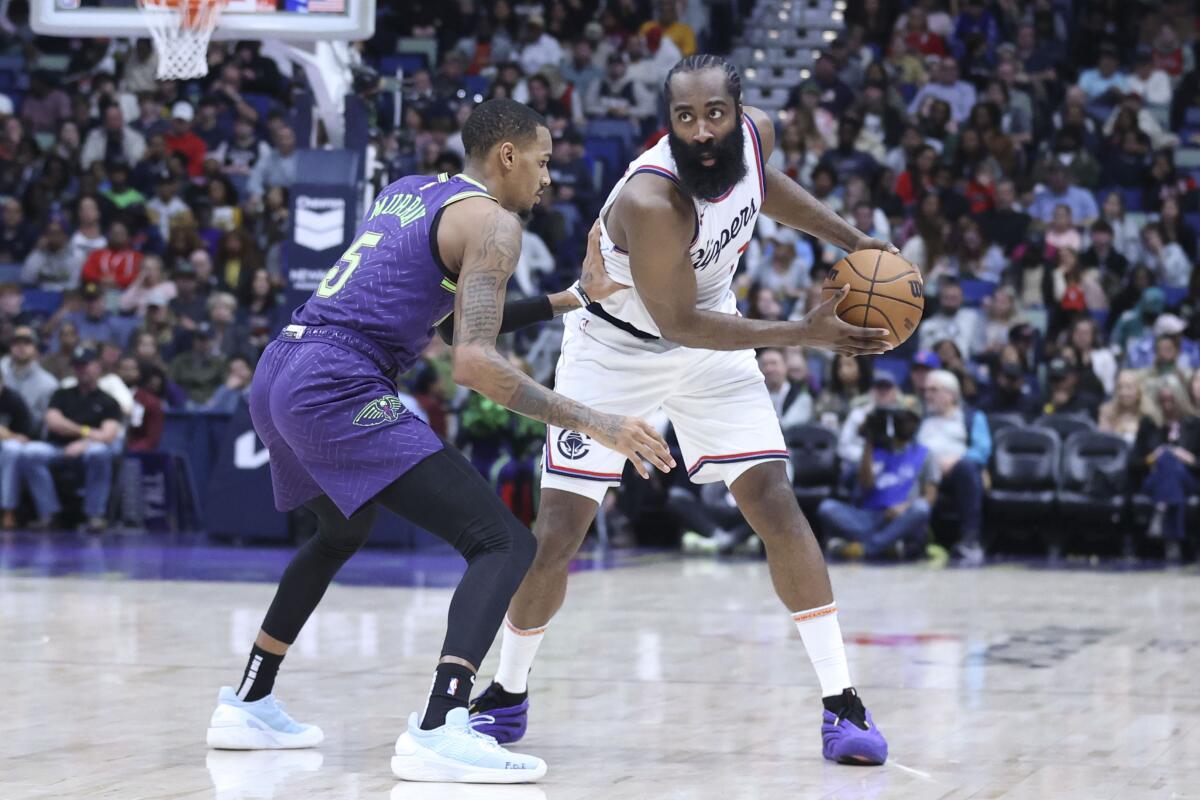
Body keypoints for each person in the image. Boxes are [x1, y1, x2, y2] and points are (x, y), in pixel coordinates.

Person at [205, 99, 672, 784]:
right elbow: (474, 363)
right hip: (338, 385)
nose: (547, 179)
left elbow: (455, 326)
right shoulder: (497, 224)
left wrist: (572, 297)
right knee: (504, 543)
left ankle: (248, 698)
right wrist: (599, 422)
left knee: (340, 531)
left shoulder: (409, 190)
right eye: (542, 162)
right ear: (507, 156)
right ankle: (438, 724)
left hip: (281, 366)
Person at [471, 56, 895, 768]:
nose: (701, 131)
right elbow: (679, 323)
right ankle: (506, 693)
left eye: (715, 115)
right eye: (684, 118)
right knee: (559, 533)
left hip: (714, 341)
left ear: (739, 111)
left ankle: (842, 704)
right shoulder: (652, 198)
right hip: (617, 350)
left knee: (775, 503)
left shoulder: (755, 138)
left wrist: (857, 244)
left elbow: (767, 189)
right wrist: (803, 333)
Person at [19, 346, 122, 533]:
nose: (81, 370)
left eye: (85, 365)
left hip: (89, 448)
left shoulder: (108, 401)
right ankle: (49, 514)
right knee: (30, 453)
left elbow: (108, 435)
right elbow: (53, 422)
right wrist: (87, 432)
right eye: (77, 366)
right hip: (57, 446)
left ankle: (94, 515)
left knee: (99, 453)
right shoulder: (62, 395)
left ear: (97, 367)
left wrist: (84, 441)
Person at [819, 406, 932, 561]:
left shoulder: (924, 453)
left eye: (911, 420)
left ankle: (867, 547)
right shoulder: (876, 451)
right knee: (827, 508)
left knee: (921, 508)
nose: (907, 425)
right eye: (903, 420)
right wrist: (868, 441)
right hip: (869, 516)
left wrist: (905, 506)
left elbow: (930, 496)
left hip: (900, 517)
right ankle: (888, 544)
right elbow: (866, 485)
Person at [918, 369, 990, 565]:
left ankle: (970, 539)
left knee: (968, 466)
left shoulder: (971, 417)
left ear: (951, 394)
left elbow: (981, 449)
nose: (927, 395)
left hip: (954, 472)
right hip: (922, 474)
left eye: (934, 390)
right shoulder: (921, 419)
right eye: (926, 390)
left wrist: (955, 460)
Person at [1130, 375, 1199, 563]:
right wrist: (1153, 458)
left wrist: (1189, 458)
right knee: (1167, 458)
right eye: (1163, 401)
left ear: (1180, 399)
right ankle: (1173, 540)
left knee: (1172, 462)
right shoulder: (1149, 424)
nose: (1167, 406)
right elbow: (1133, 462)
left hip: (1189, 480)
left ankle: (1161, 511)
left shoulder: (1195, 425)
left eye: (1171, 400)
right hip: (1153, 480)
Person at [0, 326, 59, 433]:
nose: (21, 346)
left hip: (28, 439)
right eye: (16, 342)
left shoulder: (48, 383)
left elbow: (46, 423)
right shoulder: (2, 369)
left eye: (27, 342)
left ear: (36, 348)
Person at [0, 373, 34, 530]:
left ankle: (9, 510)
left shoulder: (14, 400)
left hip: (7, 449)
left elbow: (27, 437)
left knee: (12, 450)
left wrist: (8, 435)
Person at [758, 346, 813, 429]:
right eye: (764, 364)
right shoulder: (755, 396)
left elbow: (791, 427)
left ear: (785, 366)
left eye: (774, 363)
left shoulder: (801, 397)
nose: (769, 369)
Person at [1098, 369, 1143, 443]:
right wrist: (1121, 430)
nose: (1123, 392)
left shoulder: (1148, 415)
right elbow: (1103, 440)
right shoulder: (1106, 411)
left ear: (1139, 390)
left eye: (1128, 387)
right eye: (1119, 387)